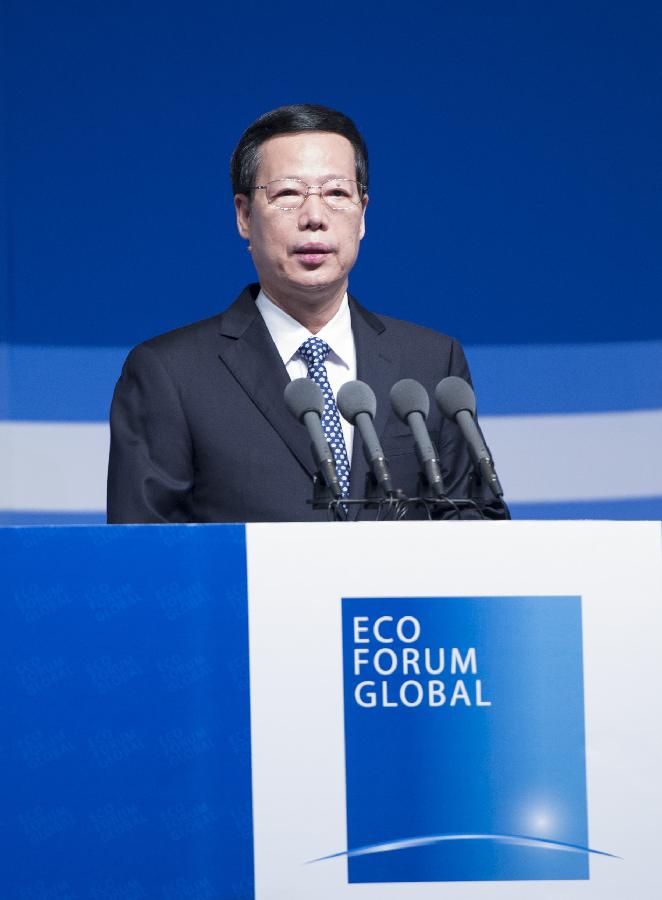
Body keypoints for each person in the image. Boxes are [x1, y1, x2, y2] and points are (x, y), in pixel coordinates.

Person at [107, 104, 497, 523]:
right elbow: (144, 558)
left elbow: (477, 529)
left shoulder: (430, 363)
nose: (315, 218)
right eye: (288, 194)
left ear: (363, 214)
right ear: (243, 215)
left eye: (336, 194)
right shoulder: (171, 374)